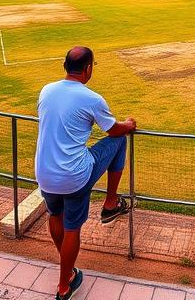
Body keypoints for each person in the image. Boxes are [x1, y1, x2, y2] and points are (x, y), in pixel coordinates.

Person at [35, 46, 136, 300]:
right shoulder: (91, 98)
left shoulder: (46, 90)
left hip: (44, 173)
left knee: (55, 215)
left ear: (64, 65)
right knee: (72, 228)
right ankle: (64, 286)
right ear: (88, 68)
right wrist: (130, 124)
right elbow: (113, 130)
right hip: (74, 176)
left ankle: (67, 269)